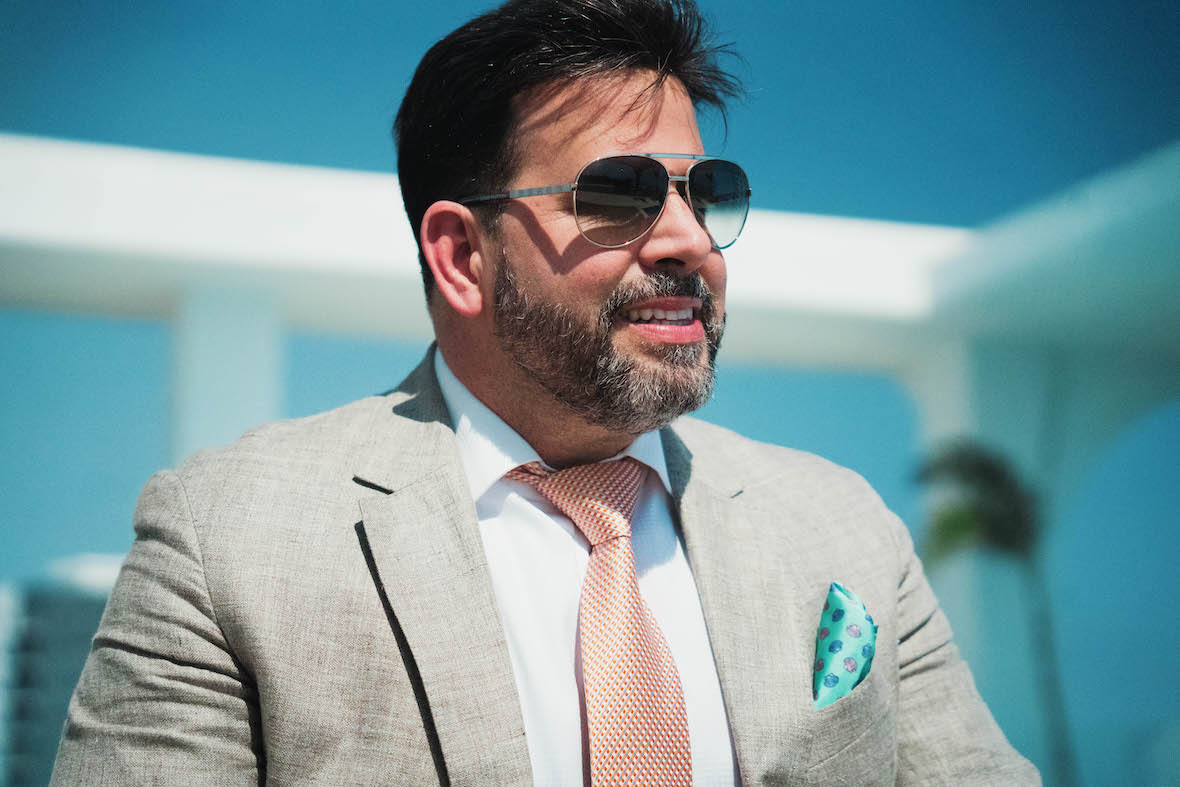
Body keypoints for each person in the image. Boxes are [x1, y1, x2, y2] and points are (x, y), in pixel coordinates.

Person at [51, 0, 1039, 784]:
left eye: (704, 192)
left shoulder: (842, 525)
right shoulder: (228, 538)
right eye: (619, 193)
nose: (687, 238)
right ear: (461, 255)